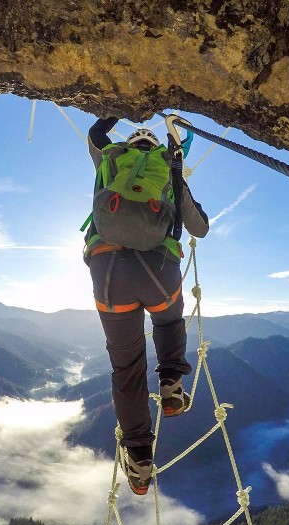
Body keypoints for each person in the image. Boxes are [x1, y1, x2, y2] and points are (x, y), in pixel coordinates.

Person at [84, 116, 209, 495]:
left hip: (108, 273)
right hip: (157, 270)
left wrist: (121, 110)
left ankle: (139, 460)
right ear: (153, 147)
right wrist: (177, 177)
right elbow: (199, 228)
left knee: (126, 366)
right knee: (170, 320)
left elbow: (94, 135)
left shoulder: (111, 157)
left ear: (131, 144)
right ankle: (171, 384)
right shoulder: (168, 168)